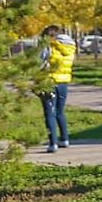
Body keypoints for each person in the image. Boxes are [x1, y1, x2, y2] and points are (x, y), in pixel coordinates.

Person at [38, 25, 76, 153]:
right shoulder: (70, 46)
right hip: (63, 82)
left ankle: (52, 143)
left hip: (49, 81)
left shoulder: (48, 46)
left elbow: (40, 63)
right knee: (60, 111)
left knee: (49, 113)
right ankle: (64, 139)